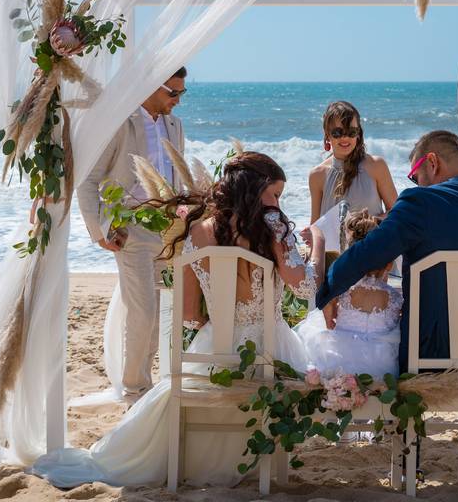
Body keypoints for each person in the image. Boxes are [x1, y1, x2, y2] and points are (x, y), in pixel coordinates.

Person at [33, 152, 325, 488]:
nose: (276, 202)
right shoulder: (273, 225)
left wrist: (213, 327)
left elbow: (188, 314)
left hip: (213, 350)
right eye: (274, 193)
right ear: (254, 188)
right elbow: (304, 289)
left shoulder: (197, 231)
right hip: (271, 351)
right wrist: (317, 243)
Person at [315, 130, 458, 474]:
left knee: (389, 332)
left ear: (432, 162)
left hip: (425, 357)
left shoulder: (419, 203)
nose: (414, 182)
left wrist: (324, 292)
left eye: (414, 175)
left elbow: (367, 253)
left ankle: (406, 459)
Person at [76, 67, 187, 400]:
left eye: (183, 93)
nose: (178, 101)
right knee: (143, 311)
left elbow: (175, 176)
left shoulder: (174, 125)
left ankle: (145, 382)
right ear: (152, 87)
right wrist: (99, 232)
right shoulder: (120, 124)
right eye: (173, 93)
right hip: (130, 230)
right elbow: (88, 179)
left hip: (169, 230)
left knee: (161, 314)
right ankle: (134, 387)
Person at [296, 209, 402, 380]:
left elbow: (330, 323)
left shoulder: (342, 290)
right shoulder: (395, 297)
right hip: (381, 364)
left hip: (340, 359)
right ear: (388, 265)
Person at [308, 101, 398, 224]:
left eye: (351, 132)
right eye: (338, 133)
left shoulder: (376, 165)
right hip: (333, 244)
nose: (345, 138)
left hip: (372, 242)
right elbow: (315, 225)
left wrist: (370, 222)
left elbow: (396, 212)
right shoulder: (317, 175)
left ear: (358, 134)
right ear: (327, 135)